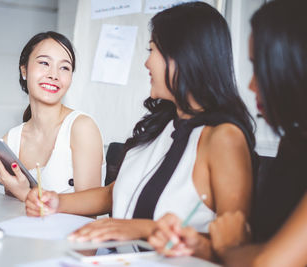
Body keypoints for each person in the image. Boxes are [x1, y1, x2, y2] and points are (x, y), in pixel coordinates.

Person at [26, 2, 255, 259]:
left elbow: (234, 246)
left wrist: (141, 229)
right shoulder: (162, 124)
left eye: (152, 50)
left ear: (183, 55)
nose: (147, 62)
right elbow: (115, 192)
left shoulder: (223, 138)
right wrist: (57, 201)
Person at [150, 0, 307, 265]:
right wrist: (204, 247)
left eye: (260, 68)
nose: (251, 84)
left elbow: (266, 262)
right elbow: (264, 248)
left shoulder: (224, 136)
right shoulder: (293, 145)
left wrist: (229, 247)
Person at [0, 32, 105, 202]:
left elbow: (90, 210)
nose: (54, 75)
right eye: (44, 63)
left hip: (77, 229)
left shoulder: (81, 127)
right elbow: (13, 210)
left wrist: (25, 194)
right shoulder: (11, 140)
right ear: (24, 70)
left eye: (64, 67)